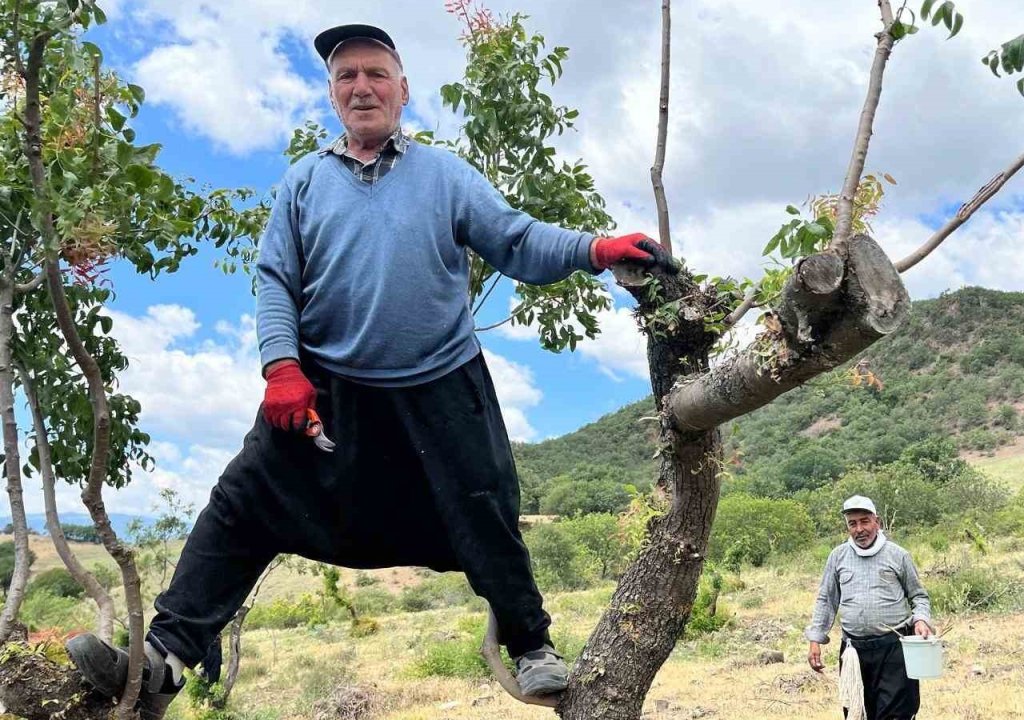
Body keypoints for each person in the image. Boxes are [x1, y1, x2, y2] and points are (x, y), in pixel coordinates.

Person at [68, 23, 673, 718]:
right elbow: (274, 282)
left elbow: (516, 238)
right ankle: (160, 666)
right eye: (347, 76)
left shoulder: (444, 174)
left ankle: (531, 645)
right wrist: (281, 368)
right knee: (242, 504)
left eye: (376, 74)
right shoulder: (304, 183)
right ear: (331, 95)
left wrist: (594, 247)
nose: (362, 87)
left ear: (403, 90)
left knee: (485, 505)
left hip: (441, 383)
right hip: (326, 390)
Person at [806, 495, 933, 720]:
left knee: (897, 714)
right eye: (852, 524)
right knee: (857, 713)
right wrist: (816, 639)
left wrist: (921, 619)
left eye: (865, 521)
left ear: (878, 522)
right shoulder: (838, 557)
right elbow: (826, 599)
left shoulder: (898, 555)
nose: (859, 529)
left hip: (894, 650)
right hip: (854, 651)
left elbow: (919, 596)